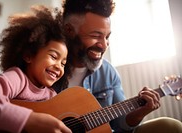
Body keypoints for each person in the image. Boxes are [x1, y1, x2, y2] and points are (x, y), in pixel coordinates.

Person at [59, 0, 182, 133]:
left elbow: (120, 125)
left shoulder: (108, 72)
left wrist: (141, 111)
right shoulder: (46, 68)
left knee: (170, 126)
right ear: (69, 30)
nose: (104, 45)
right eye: (95, 36)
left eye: (107, 37)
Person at [0, 5, 72, 133]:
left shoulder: (52, 96)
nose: (59, 66)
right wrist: (28, 119)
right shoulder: (17, 78)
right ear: (28, 55)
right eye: (53, 56)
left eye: (63, 63)